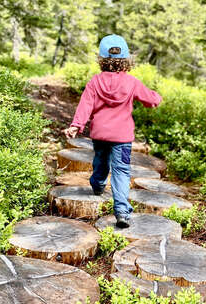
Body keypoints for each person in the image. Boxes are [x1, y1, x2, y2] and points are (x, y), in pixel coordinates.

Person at [62, 34, 162, 228]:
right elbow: (150, 100)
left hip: (100, 133)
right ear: (126, 60)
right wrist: (157, 98)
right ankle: (122, 211)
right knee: (122, 171)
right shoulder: (132, 82)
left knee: (100, 161)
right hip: (122, 137)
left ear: (101, 59)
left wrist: (77, 125)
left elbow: (85, 105)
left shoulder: (95, 82)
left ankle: (97, 184)